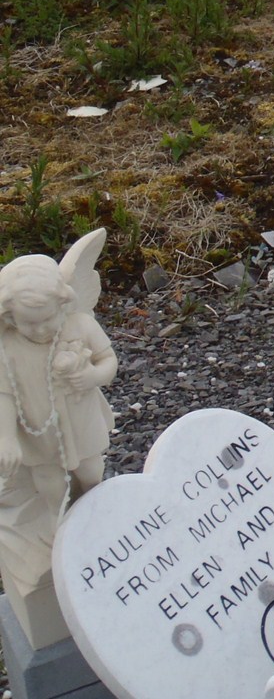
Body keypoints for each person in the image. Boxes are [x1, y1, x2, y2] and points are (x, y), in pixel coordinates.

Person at [0, 229, 116, 645]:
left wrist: (92, 376)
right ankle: (58, 524)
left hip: (80, 422)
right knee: (49, 479)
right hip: (40, 432)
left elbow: (108, 360)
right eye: (29, 323)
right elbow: (4, 396)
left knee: (90, 470)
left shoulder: (79, 324)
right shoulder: (7, 349)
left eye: (48, 319)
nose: (41, 329)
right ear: (9, 318)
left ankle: (98, 515)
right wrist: (7, 439)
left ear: (63, 304)